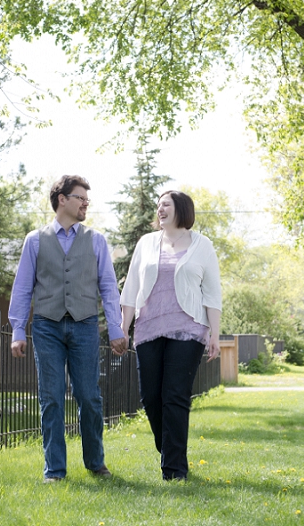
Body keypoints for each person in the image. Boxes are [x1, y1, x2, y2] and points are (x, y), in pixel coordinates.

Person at [9, 175, 127, 483]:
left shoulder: (96, 240)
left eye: (87, 199)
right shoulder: (35, 240)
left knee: (89, 397)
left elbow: (108, 287)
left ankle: (95, 462)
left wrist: (115, 328)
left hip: (85, 325)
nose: (86, 203)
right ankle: (55, 470)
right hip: (46, 326)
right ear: (62, 199)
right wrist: (18, 330)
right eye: (80, 198)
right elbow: (22, 288)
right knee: (51, 397)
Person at [118, 190, 222, 481]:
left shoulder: (203, 246)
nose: (159, 209)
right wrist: (123, 328)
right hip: (149, 328)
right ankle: (169, 451)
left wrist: (214, 334)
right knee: (151, 397)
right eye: (158, 205)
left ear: (181, 209)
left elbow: (212, 293)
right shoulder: (146, 243)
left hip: (189, 328)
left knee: (175, 395)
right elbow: (131, 288)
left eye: (166, 204)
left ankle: (175, 470)